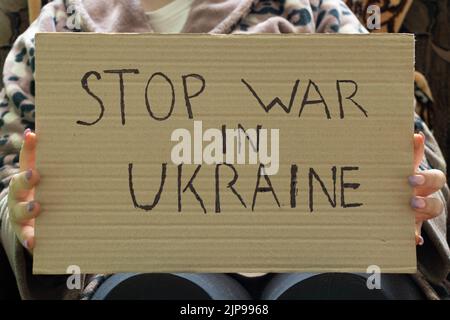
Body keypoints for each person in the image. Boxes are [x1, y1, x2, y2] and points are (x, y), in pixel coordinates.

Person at [0, 0, 448, 300]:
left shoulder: (312, 9)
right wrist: (24, 214)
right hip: (135, 267)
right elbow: (10, 177)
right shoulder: (58, 27)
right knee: (157, 292)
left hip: (326, 257)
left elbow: (410, 147)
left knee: (341, 289)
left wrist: (416, 199)